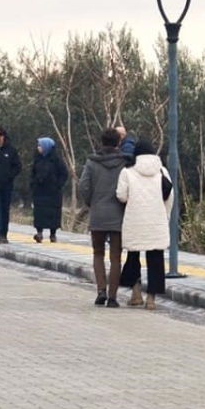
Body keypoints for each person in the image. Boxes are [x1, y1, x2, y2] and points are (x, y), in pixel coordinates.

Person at [117, 139, 173, 310]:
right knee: (155, 260)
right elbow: (170, 196)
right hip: (156, 220)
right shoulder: (162, 171)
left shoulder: (127, 171)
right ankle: (151, 299)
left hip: (135, 219)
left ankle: (135, 294)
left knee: (133, 257)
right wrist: (166, 216)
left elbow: (121, 196)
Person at [77, 127, 127, 307]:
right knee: (116, 257)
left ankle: (101, 291)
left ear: (101, 142)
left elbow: (83, 186)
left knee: (98, 253)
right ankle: (113, 297)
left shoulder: (91, 162)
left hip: (97, 213)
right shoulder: (124, 162)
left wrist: (93, 203)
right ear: (118, 142)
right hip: (118, 215)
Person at [30, 137, 68, 243]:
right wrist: (33, 184)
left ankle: (53, 234)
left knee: (53, 213)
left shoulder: (56, 160)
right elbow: (32, 173)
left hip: (53, 193)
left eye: (40, 146)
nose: (38, 148)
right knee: (39, 213)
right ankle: (39, 233)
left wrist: (57, 185)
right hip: (39, 191)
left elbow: (64, 174)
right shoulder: (37, 159)